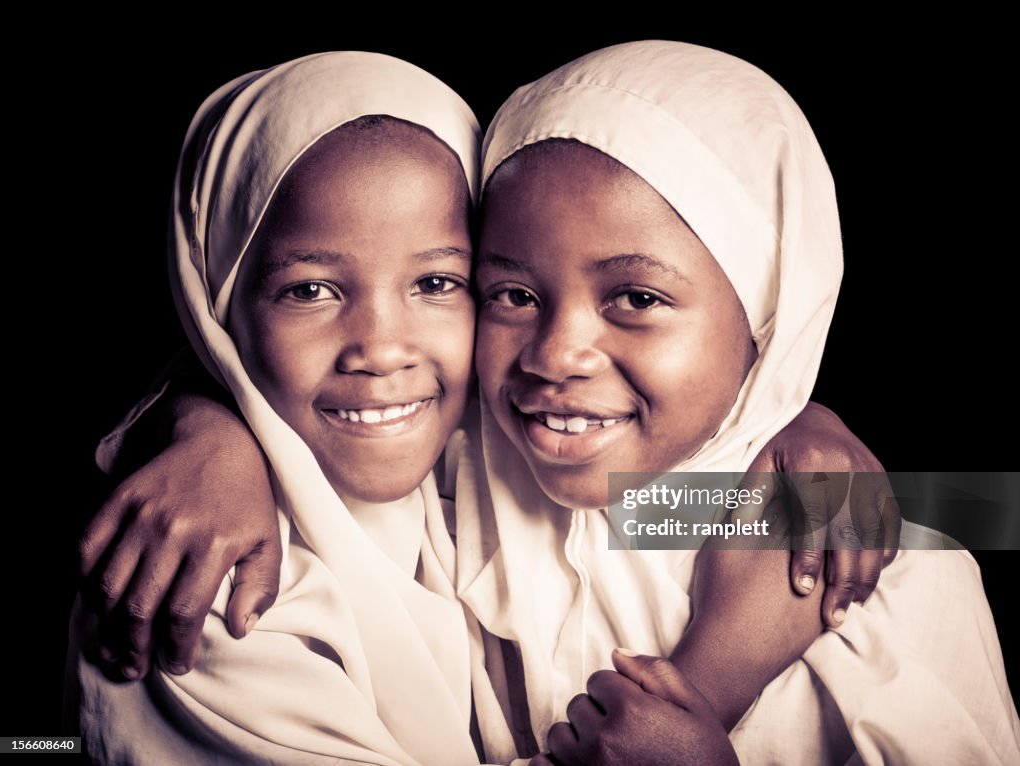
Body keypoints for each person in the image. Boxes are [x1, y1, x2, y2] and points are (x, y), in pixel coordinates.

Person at [457, 40, 1020, 764]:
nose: (556, 355)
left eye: (637, 298)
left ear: (768, 319)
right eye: (514, 295)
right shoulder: (439, 503)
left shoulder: (880, 560)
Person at [67, 50, 513, 765]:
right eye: (309, 291)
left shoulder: (488, 467)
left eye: (434, 281)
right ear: (215, 308)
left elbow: (709, 519)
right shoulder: (210, 586)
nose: (380, 348)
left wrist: (766, 478)